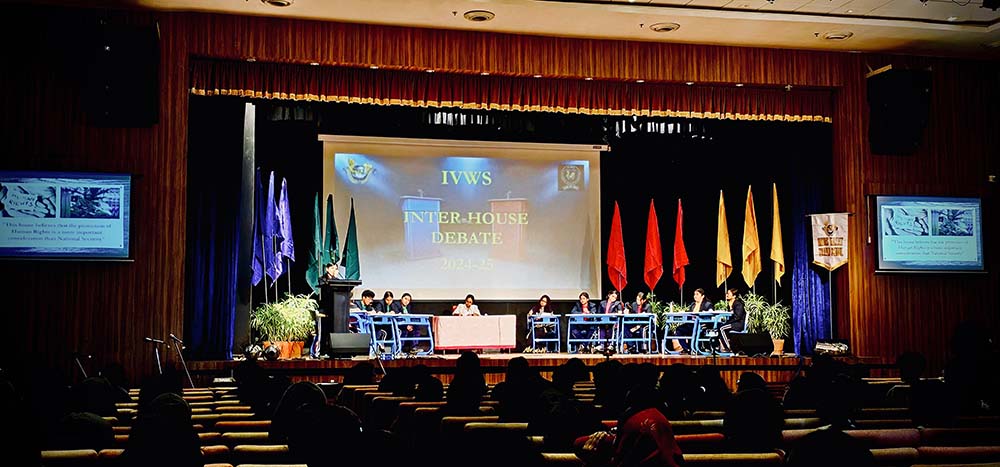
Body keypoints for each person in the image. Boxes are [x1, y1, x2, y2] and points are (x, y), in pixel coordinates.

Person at [670, 288, 712, 353]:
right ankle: (687, 348)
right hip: (691, 324)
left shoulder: (707, 304)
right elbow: (689, 314)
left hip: (700, 325)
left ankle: (697, 348)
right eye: (694, 294)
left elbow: (710, 312)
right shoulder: (693, 305)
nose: (695, 296)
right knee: (679, 330)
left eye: (697, 294)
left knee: (694, 329)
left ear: (702, 296)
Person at [719, 288, 746, 352]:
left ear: (734, 296)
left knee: (722, 328)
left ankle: (729, 347)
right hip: (733, 323)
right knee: (719, 326)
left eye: (728, 293)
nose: (727, 295)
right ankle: (722, 347)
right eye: (727, 293)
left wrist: (728, 323)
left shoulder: (738, 304)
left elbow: (737, 317)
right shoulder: (730, 304)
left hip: (738, 324)